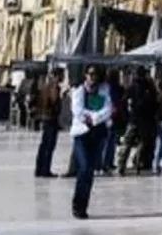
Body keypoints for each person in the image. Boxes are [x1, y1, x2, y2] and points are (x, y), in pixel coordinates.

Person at [70, 64, 113, 221]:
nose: (92, 77)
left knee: (90, 172)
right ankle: (77, 204)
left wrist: (94, 118)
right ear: (85, 75)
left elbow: (108, 109)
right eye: (89, 74)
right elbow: (78, 111)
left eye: (95, 74)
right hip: (81, 134)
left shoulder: (104, 90)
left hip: (97, 134)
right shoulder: (79, 91)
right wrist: (95, 116)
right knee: (84, 167)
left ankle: (83, 207)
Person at [33, 69, 66, 178]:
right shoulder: (53, 87)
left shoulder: (45, 85)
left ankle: (39, 169)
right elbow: (53, 100)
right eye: (62, 75)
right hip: (51, 119)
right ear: (57, 76)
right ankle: (45, 170)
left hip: (46, 117)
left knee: (44, 145)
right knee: (49, 145)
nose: (63, 78)